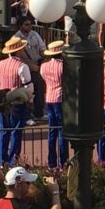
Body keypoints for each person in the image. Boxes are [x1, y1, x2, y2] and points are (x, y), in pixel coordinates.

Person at [0, 36, 33, 166]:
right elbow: (28, 86)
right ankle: (13, 161)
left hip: (3, 102)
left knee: (4, 130)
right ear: (19, 51)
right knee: (16, 131)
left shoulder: (0, 64)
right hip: (18, 102)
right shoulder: (22, 66)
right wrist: (30, 99)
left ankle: (2, 160)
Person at [40, 40, 66, 168]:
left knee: (52, 131)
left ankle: (51, 161)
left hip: (49, 97)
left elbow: (44, 78)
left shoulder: (43, 66)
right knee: (62, 131)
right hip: (60, 98)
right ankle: (63, 161)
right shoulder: (63, 66)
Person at [14, 18, 45, 121]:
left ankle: (39, 113)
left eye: (30, 24)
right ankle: (27, 116)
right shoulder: (16, 38)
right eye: (26, 24)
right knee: (27, 93)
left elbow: (42, 49)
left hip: (37, 66)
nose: (29, 26)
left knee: (39, 90)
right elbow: (17, 55)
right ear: (20, 25)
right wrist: (28, 65)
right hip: (25, 68)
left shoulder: (34, 34)